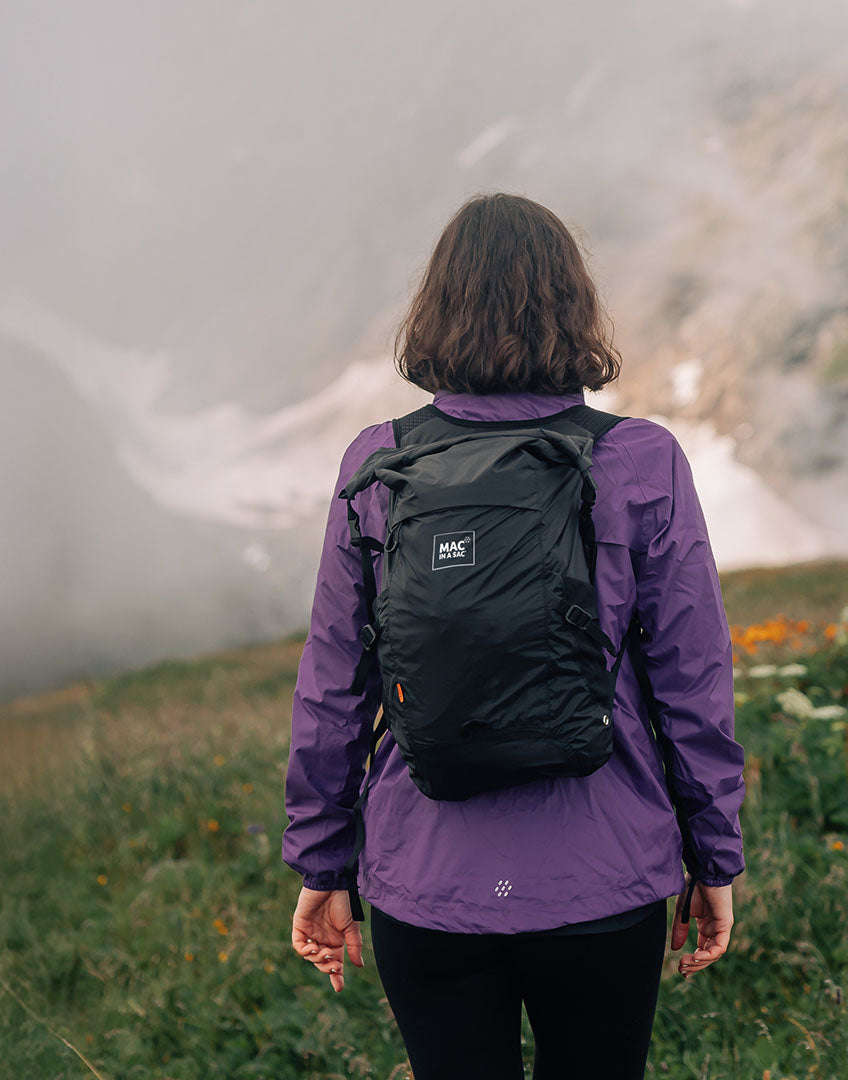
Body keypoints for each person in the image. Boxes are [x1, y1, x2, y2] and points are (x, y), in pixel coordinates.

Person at [282, 192, 746, 1080]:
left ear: (436, 309)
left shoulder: (379, 463)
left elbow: (336, 683)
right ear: (574, 307)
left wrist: (321, 859)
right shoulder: (640, 461)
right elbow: (693, 679)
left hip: (429, 880)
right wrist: (712, 856)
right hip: (602, 876)